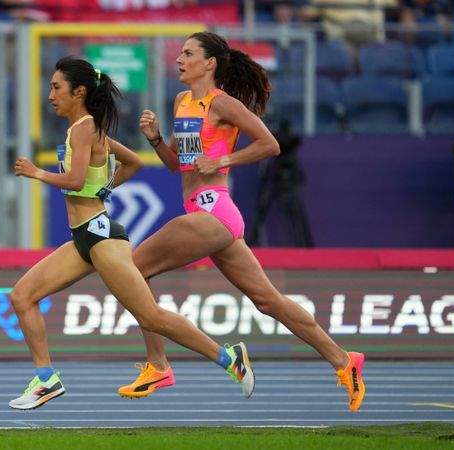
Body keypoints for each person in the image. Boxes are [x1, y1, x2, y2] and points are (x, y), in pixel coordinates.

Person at [117, 31, 366, 413]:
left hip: (214, 211)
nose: (179, 59)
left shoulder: (224, 104)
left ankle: (159, 366)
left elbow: (270, 144)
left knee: (132, 270)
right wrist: (155, 139)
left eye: (188, 53)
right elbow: (178, 166)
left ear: (210, 63)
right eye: (180, 53)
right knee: (269, 301)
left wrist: (222, 161)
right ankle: (344, 360)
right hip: (206, 214)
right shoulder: (183, 101)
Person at [9, 56, 254, 410]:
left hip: (102, 237)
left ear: (78, 92)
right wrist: (104, 188)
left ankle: (228, 358)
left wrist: (38, 173)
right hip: (85, 237)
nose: (50, 95)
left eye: (56, 87)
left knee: (151, 316)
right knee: (22, 296)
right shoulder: (85, 128)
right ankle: (46, 380)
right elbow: (134, 162)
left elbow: (76, 181)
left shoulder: (84, 128)